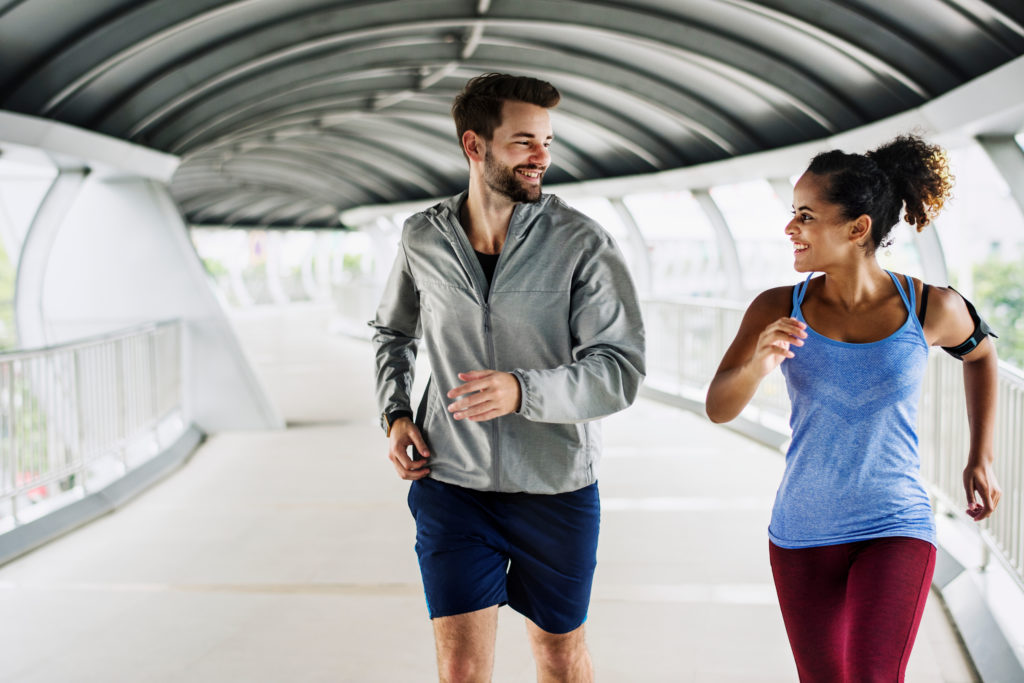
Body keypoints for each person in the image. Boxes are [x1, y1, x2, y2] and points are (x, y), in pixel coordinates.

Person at [371, 73, 645, 683]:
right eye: (524, 142)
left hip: (556, 489)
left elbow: (619, 368)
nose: (541, 157)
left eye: (546, 142)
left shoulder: (581, 241)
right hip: (452, 485)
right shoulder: (422, 236)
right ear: (476, 147)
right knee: (462, 669)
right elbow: (393, 333)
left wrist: (524, 390)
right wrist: (395, 415)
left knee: (558, 657)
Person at [705, 134, 1001, 682]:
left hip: (896, 524)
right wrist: (758, 365)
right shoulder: (777, 306)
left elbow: (981, 356)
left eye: (805, 216)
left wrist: (978, 456)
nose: (790, 229)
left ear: (857, 228)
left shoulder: (930, 307)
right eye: (792, 214)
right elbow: (719, 407)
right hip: (801, 531)